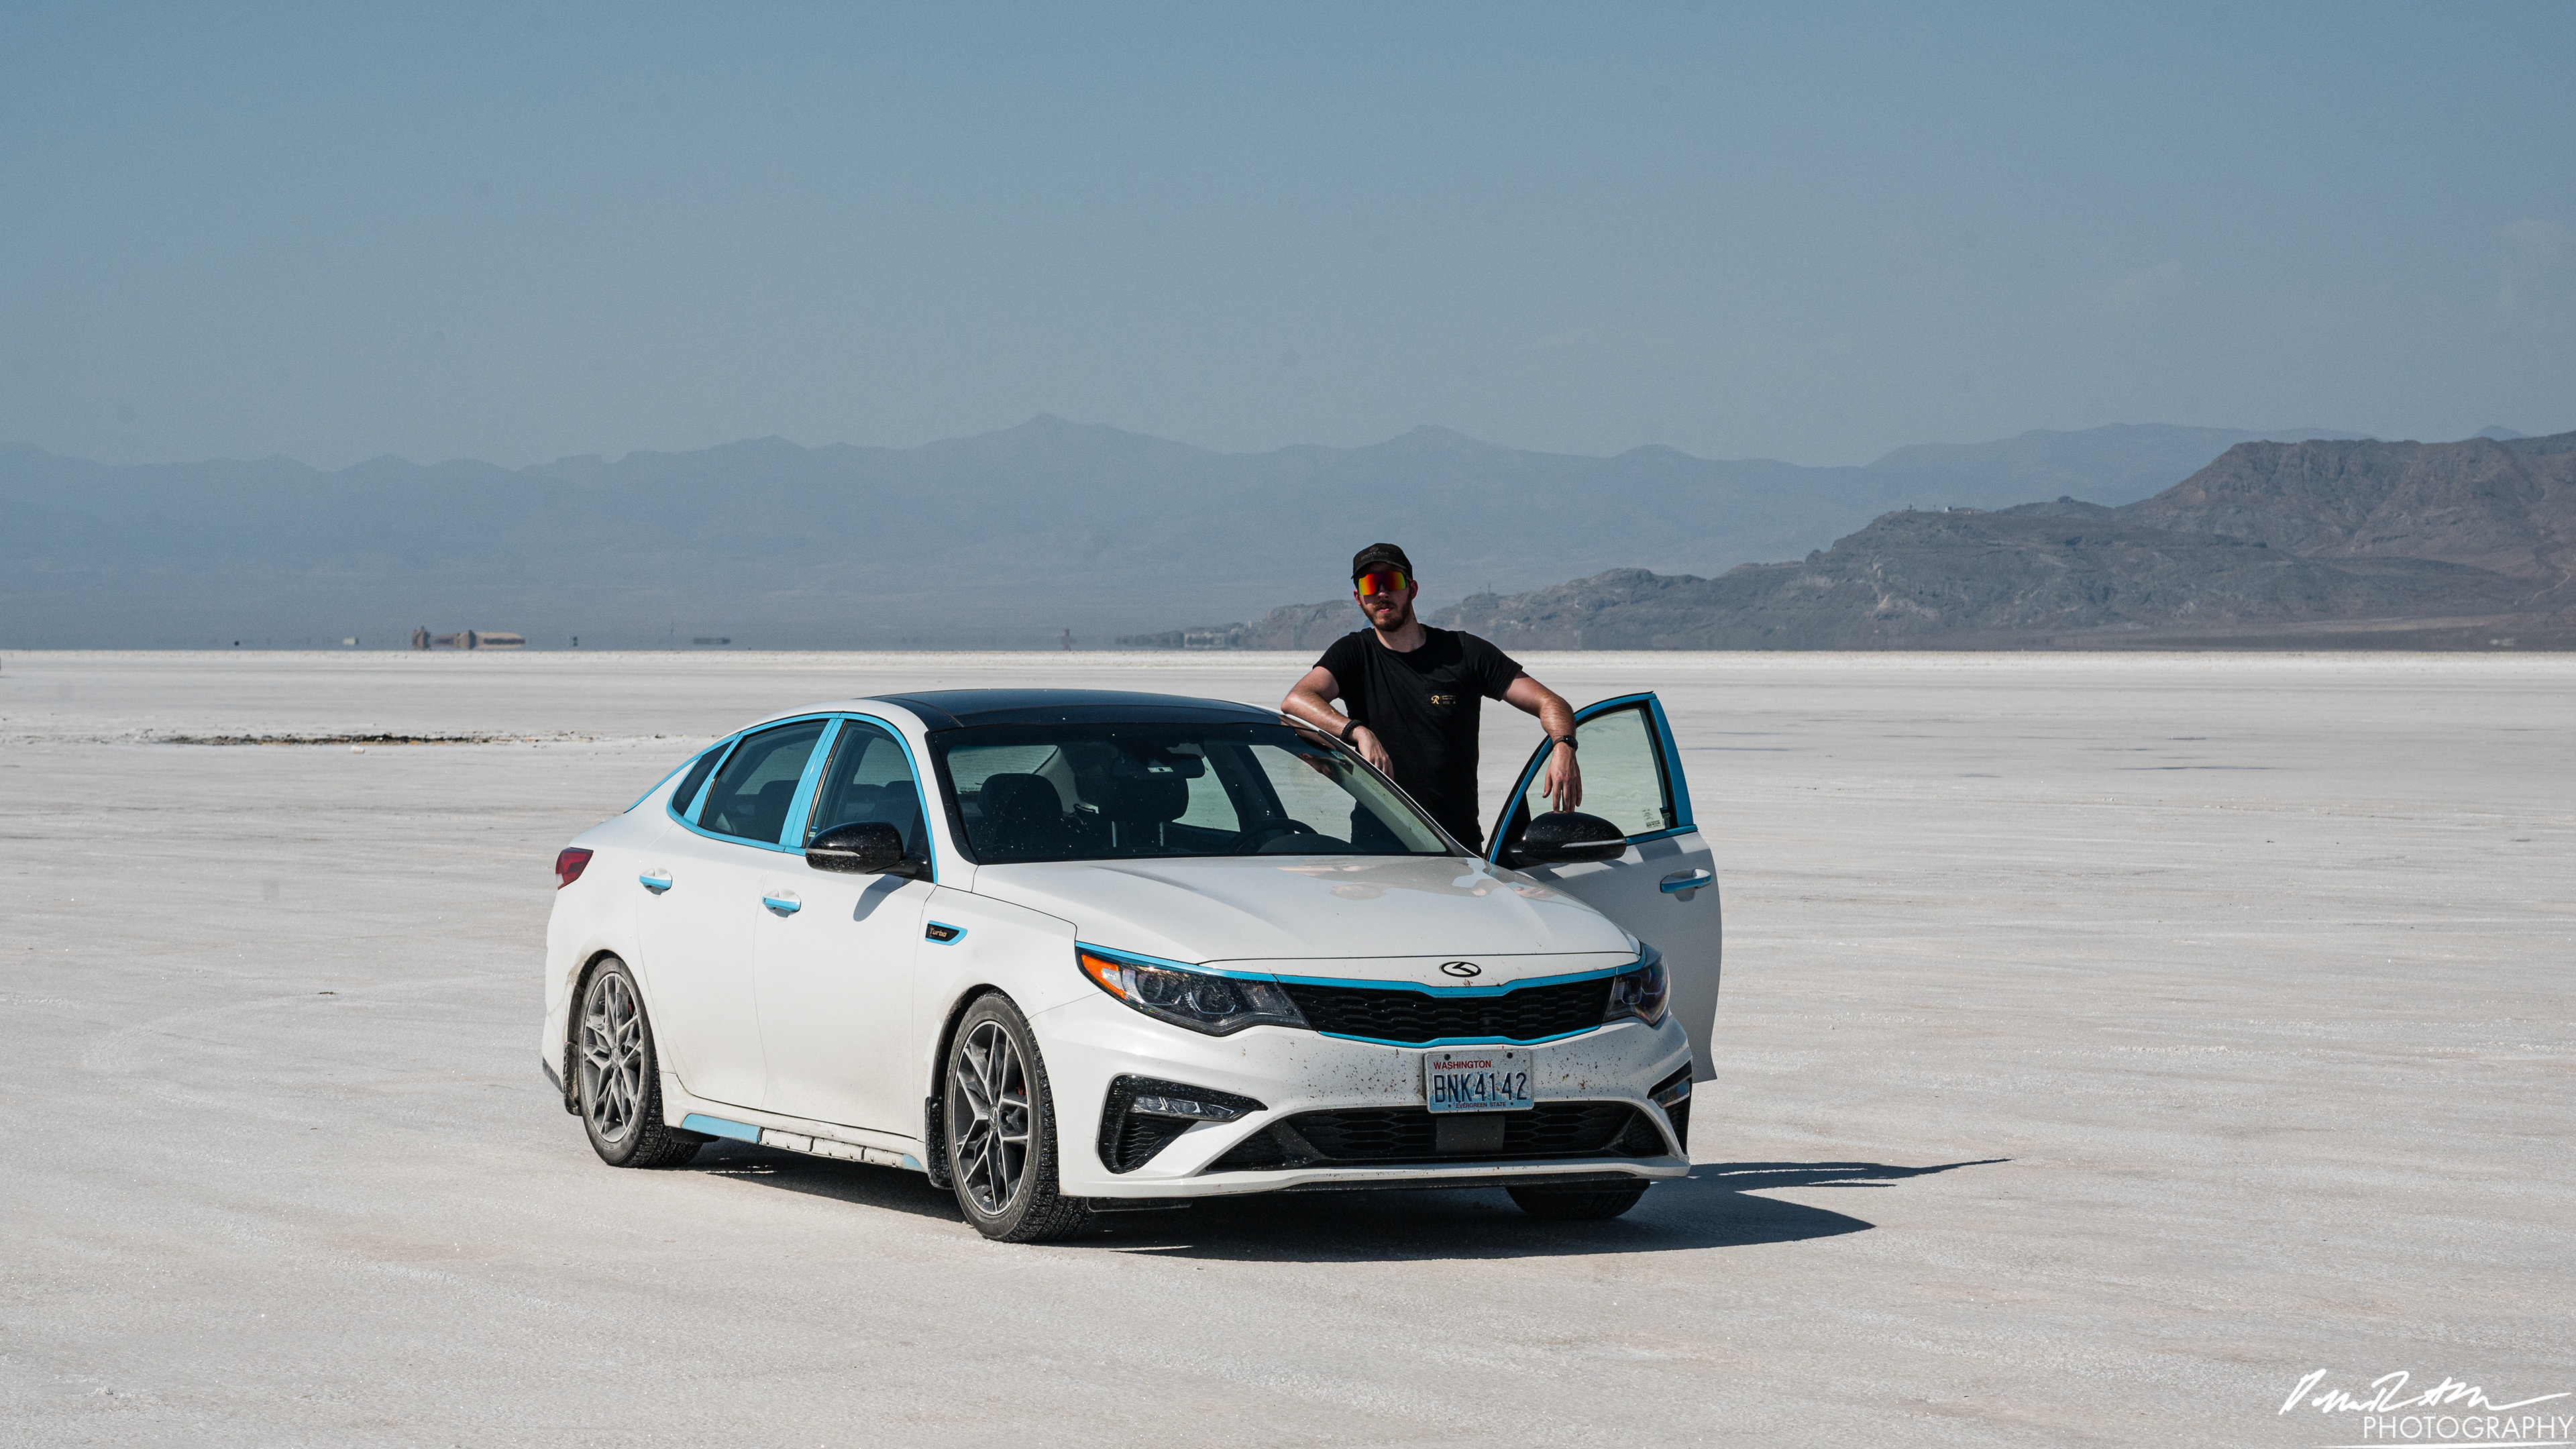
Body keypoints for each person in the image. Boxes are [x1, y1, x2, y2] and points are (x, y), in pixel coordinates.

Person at [1281, 543, 1582, 852]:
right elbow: (1297, 700)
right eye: (1370, 585)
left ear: (1411, 588)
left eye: (1392, 582)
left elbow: (1551, 703)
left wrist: (1563, 746)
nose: (1381, 593)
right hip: (1377, 849)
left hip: (1455, 846)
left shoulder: (1464, 653)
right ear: (1359, 599)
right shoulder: (1355, 654)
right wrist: (1357, 731)